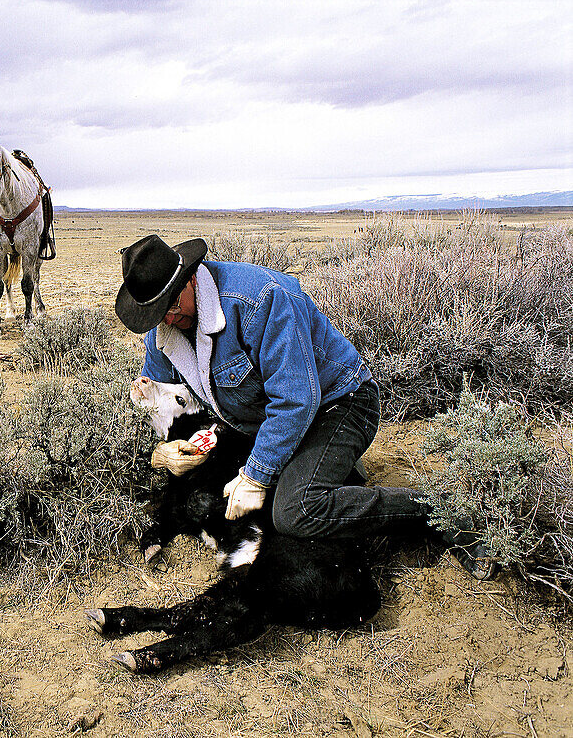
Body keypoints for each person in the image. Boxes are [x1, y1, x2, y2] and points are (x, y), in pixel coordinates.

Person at [115, 234, 494, 579]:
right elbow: (169, 395)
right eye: (156, 312)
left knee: (295, 511)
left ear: (191, 278)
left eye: (172, 303)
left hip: (338, 404)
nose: (168, 317)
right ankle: (329, 470)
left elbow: (297, 399)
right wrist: (163, 453)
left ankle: (440, 513)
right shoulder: (164, 330)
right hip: (264, 422)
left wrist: (256, 476)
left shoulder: (261, 300)